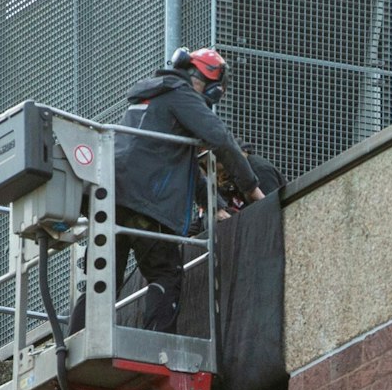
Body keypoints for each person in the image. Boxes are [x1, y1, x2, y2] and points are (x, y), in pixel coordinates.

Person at [79, 46, 263, 334]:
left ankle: (74, 347)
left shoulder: (153, 99)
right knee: (165, 273)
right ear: (206, 83)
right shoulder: (181, 94)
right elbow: (222, 140)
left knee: (102, 280)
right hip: (148, 202)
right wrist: (253, 191)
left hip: (110, 196)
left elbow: (179, 165)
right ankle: (156, 347)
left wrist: (214, 205)